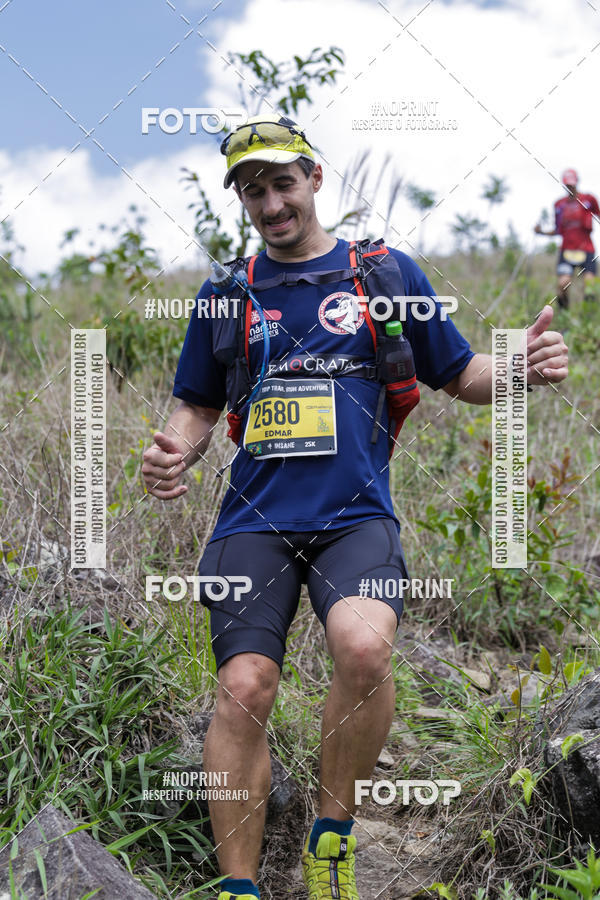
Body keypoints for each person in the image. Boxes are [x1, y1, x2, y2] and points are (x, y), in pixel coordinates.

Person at [142, 115, 569, 900]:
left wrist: (523, 370)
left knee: (365, 650)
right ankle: (238, 887)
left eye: (283, 183)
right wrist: (174, 451)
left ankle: (330, 839)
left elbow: (460, 373)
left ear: (314, 178)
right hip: (253, 522)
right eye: (253, 191)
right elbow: (196, 407)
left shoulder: (384, 274)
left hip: (355, 518)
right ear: (241, 200)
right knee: (244, 687)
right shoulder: (226, 294)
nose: (272, 204)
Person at [534, 168, 599, 308]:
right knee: (563, 284)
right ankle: (564, 315)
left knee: (590, 284)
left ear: (577, 182)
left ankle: (588, 315)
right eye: (568, 185)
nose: (570, 187)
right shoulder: (559, 205)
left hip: (586, 249)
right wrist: (541, 232)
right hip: (567, 250)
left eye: (572, 184)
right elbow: (558, 230)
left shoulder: (589, 200)